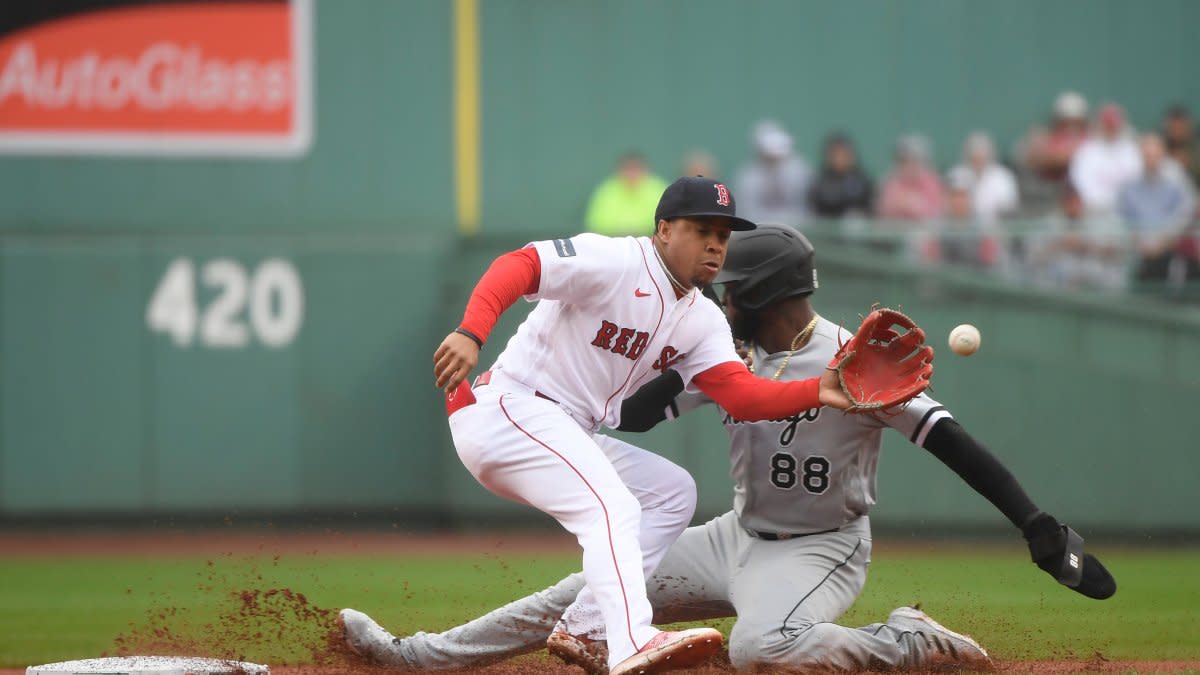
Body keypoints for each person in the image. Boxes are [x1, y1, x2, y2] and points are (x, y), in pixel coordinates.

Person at [337, 226, 1115, 673]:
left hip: (820, 548)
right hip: (734, 535)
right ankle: (419, 657)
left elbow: (954, 444)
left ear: (768, 299)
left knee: (759, 648)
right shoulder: (725, 357)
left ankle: (901, 638)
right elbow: (641, 416)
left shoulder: (859, 363)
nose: (719, 300)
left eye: (734, 292)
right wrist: (637, 354)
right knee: (597, 582)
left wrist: (1034, 522)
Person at [340, 178, 911, 675]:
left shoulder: (701, 317)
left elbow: (741, 393)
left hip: (563, 427)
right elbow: (520, 264)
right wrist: (471, 331)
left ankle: (586, 624)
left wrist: (820, 390)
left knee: (671, 493)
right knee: (613, 508)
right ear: (663, 229)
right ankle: (629, 639)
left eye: (723, 233)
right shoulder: (615, 261)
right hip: (508, 410)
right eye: (701, 228)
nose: (715, 243)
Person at [1118, 133, 1197, 285]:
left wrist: (1165, 241)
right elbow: (1123, 218)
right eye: (1147, 155)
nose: (1151, 160)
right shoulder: (1130, 185)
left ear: (1162, 155)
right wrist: (1139, 242)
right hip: (1138, 252)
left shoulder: (1176, 180)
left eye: (1155, 155)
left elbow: (1186, 213)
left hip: (1170, 249)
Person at [733, 119, 812, 226]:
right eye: (769, 156)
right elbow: (747, 212)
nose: (774, 161)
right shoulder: (747, 178)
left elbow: (804, 210)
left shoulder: (799, 172)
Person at [1069, 103, 1142, 216]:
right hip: (1093, 211)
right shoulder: (1087, 151)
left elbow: (1136, 179)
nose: (1111, 129)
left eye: (1113, 125)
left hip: (1128, 212)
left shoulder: (1131, 151)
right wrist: (1100, 203)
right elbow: (1080, 183)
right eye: (1108, 125)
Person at [583, 153, 669, 236]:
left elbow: (667, 223)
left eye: (635, 169)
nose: (632, 174)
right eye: (628, 170)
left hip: (650, 244)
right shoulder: (606, 191)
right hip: (613, 245)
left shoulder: (658, 189)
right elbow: (595, 225)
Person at [951, 131, 1019, 224]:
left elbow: (1009, 209)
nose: (978, 159)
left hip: (997, 229)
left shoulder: (1003, 177)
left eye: (981, 155)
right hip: (963, 228)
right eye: (974, 156)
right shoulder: (957, 174)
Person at [877, 134, 945, 222]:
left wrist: (913, 204)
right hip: (897, 233)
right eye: (903, 160)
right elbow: (883, 211)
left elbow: (936, 213)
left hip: (927, 232)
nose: (908, 165)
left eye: (913, 160)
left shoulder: (932, 181)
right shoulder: (891, 182)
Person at [807, 131, 874, 219]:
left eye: (844, 155)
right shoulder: (820, 183)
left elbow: (868, 207)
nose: (839, 159)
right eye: (836, 155)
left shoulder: (862, 181)